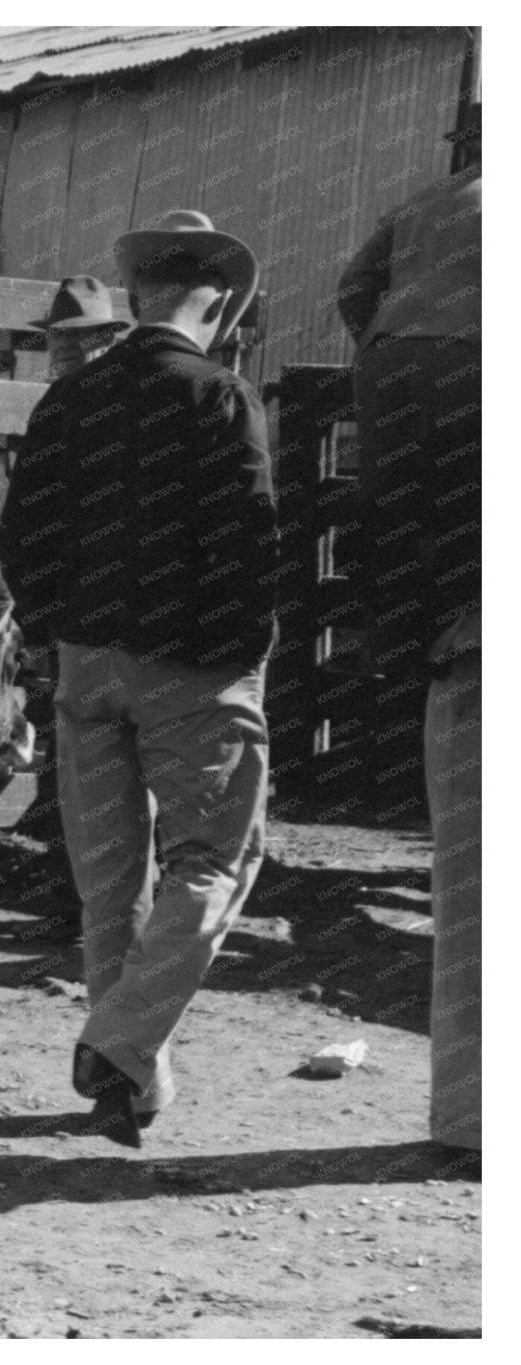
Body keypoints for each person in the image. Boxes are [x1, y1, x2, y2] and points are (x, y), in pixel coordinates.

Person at [0, 210, 282, 1148]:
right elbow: (250, 550)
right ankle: (118, 1041)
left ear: (142, 294)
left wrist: (48, 642)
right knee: (213, 863)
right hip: (192, 671)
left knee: (110, 882)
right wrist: (246, 660)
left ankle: (131, 1087)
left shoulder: (70, 401)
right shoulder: (220, 398)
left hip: (85, 665)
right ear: (219, 302)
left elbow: (20, 543)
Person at [335, 106, 480, 1159]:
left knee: (404, 521)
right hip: (476, 365)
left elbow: (350, 286)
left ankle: (404, 641)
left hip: (394, 371)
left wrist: (379, 352)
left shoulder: (422, 199)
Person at [14, 276, 136, 941]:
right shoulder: (109, 404)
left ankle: (84, 902)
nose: (65, 350)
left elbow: (29, 523)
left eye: (78, 338)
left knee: (85, 759)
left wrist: (36, 612)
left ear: (105, 340)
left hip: (85, 610)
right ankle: (90, 901)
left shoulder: (66, 408)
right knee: (87, 757)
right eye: (58, 339)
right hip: (106, 609)